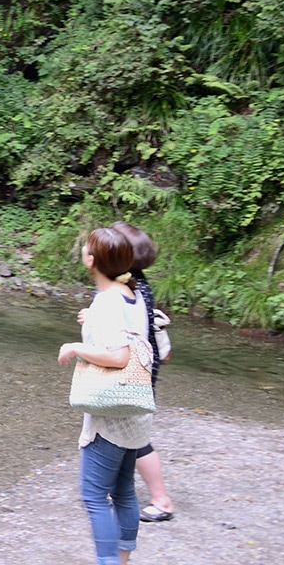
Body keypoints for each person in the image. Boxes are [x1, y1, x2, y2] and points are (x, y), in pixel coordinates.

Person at [58, 225, 153, 565]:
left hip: (109, 416)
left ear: (92, 261)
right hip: (134, 412)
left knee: (95, 496)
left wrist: (76, 345)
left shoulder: (108, 301)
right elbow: (126, 337)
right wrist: (91, 323)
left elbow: (118, 356)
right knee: (125, 492)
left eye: (86, 249)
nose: (83, 251)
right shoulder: (131, 295)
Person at [113, 220, 176, 522]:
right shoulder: (138, 285)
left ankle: (161, 500)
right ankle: (116, 490)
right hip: (141, 375)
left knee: (136, 441)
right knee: (124, 436)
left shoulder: (128, 290)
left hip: (135, 377)